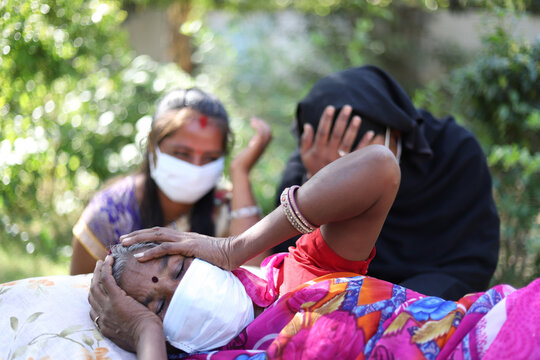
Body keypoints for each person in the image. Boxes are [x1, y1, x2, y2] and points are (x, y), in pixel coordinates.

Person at [88, 144, 402, 358]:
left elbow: (379, 166)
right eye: (156, 306)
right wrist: (145, 333)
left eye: (178, 270)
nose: (181, 291)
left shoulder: (302, 276)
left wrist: (234, 247)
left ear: (203, 256)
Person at [273, 65, 500, 300]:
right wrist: (322, 188)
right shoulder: (307, 166)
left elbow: (471, 259)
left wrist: (396, 304)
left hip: (429, 297)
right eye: (345, 162)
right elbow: (289, 261)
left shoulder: (453, 153)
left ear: (396, 130)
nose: (359, 171)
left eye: (364, 155)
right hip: (343, 294)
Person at [71, 87, 272, 274]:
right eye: (182, 153)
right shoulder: (110, 214)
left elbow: (256, 283)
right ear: (152, 145)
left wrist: (240, 172)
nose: (196, 167)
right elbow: (80, 296)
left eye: (210, 158)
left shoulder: (229, 206)